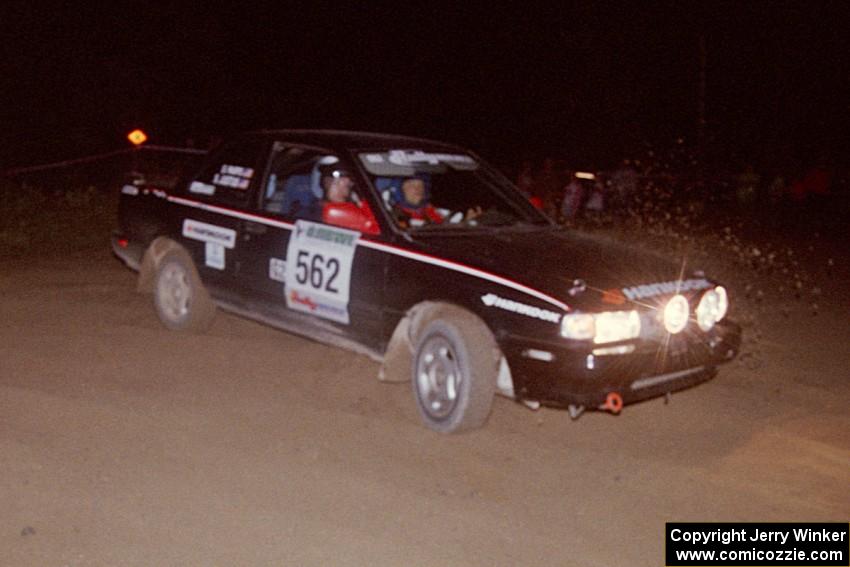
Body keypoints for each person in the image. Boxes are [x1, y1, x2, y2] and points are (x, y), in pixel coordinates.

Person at [318, 163, 379, 234]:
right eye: (335, 182)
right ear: (324, 182)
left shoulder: (360, 204)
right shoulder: (313, 214)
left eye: (347, 185)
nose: (341, 189)